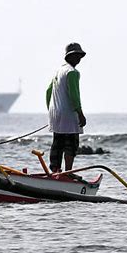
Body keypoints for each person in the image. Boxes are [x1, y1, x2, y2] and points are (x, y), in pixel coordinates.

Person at [46, 43, 87, 173]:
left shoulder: (58, 71)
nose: (78, 59)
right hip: (69, 115)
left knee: (57, 143)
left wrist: (52, 111)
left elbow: (48, 92)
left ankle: (55, 170)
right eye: (76, 56)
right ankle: (67, 173)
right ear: (69, 56)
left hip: (56, 113)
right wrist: (80, 113)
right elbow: (74, 95)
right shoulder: (72, 72)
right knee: (71, 144)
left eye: (80, 56)